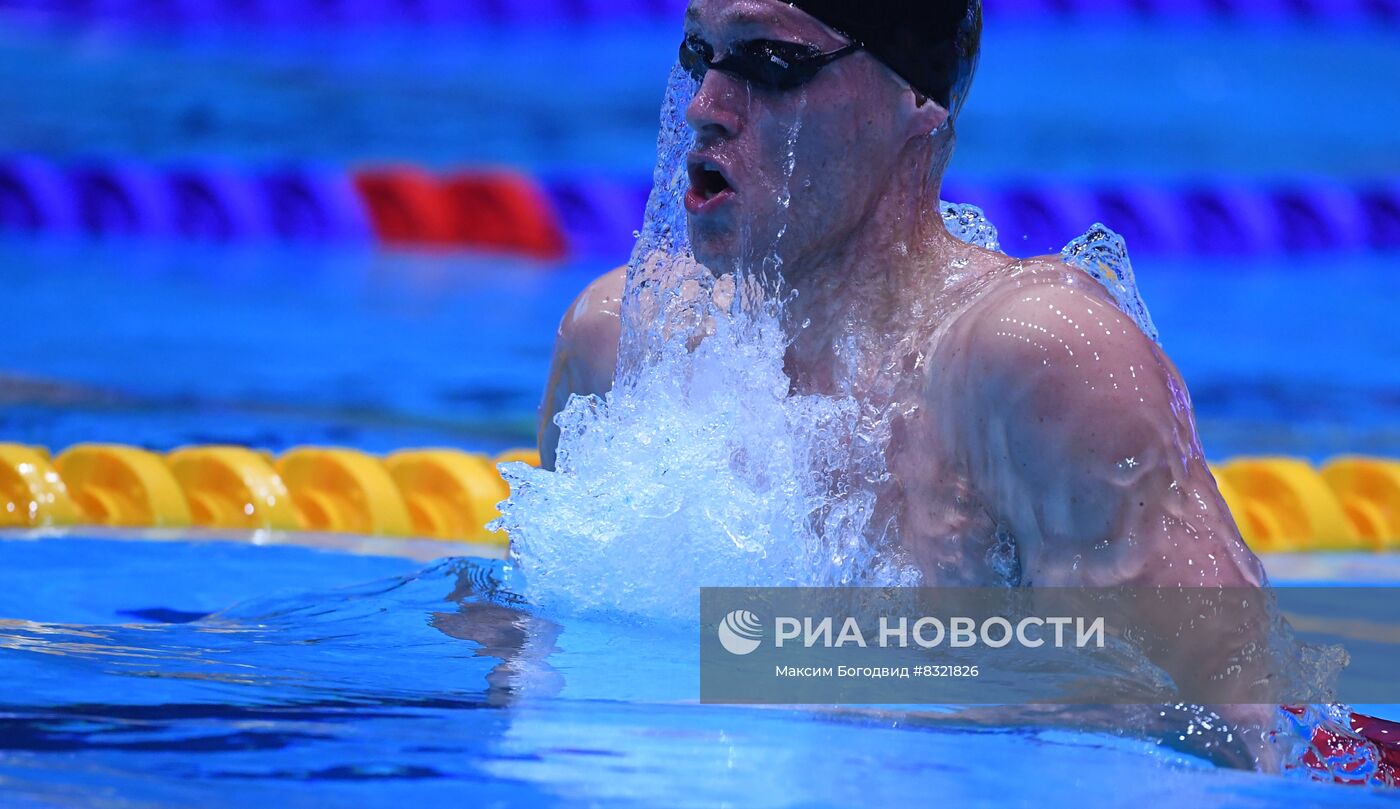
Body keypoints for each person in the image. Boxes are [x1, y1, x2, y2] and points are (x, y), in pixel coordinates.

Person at [541, 0, 1263, 592]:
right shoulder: (626, 346)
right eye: (700, 54)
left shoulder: (1030, 363)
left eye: (769, 62)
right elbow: (535, 657)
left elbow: (1231, 721)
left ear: (917, 98)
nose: (706, 106)